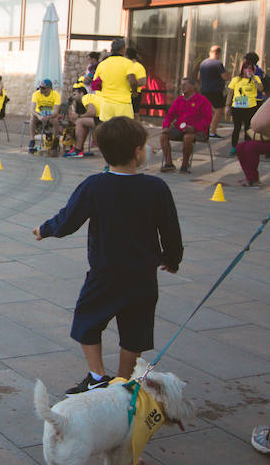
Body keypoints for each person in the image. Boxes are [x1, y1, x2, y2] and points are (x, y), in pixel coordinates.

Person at [33, 116, 183, 393]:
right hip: (142, 276)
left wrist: (45, 229)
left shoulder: (94, 185)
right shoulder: (156, 188)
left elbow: (68, 220)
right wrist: (171, 259)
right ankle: (124, 382)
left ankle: (97, 375)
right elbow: (171, 231)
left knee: (87, 321)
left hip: (106, 273)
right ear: (138, 151)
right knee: (135, 331)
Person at [159, 77, 212, 173]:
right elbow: (169, 115)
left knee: (188, 137)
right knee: (163, 136)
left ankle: (184, 164)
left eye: (185, 85)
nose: (182, 87)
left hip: (198, 131)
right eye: (181, 84)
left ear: (193, 86)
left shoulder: (202, 100)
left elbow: (207, 120)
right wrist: (166, 126)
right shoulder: (179, 100)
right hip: (180, 129)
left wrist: (194, 128)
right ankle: (169, 163)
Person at [225, 53, 263, 156]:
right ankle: (234, 147)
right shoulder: (236, 80)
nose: (249, 70)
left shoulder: (256, 79)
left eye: (251, 68)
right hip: (238, 106)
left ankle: (246, 147)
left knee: (248, 128)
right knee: (236, 128)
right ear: (243, 69)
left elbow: (261, 89)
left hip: (250, 106)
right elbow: (230, 93)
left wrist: (254, 78)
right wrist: (227, 106)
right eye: (247, 68)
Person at [93, 38, 137, 121]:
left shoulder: (102, 64)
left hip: (106, 104)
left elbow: (96, 84)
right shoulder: (127, 63)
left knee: (108, 131)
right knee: (124, 131)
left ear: (111, 49)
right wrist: (134, 92)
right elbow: (133, 81)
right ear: (123, 49)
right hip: (123, 104)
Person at [235, 95, 270, 187]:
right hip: (266, 137)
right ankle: (250, 176)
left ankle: (252, 179)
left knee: (251, 148)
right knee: (240, 147)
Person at [196, 44, 229, 138]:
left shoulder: (203, 63)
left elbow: (199, 77)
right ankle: (212, 131)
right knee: (219, 110)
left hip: (204, 90)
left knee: (208, 111)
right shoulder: (217, 64)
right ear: (218, 53)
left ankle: (204, 130)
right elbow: (226, 77)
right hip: (215, 90)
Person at [64, 85, 102, 158]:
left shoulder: (86, 97)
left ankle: (78, 149)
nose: (73, 97)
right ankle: (79, 148)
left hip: (104, 120)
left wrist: (77, 116)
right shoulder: (91, 98)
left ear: (81, 93)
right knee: (83, 122)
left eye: (75, 94)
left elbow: (92, 112)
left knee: (80, 121)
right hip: (104, 118)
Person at [28, 79, 61, 154]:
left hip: (50, 115)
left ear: (49, 88)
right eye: (40, 87)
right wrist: (39, 116)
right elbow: (32, 109)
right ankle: (32, 140)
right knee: (32, 118)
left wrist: (48, 117)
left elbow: (56, 111)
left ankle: (55, 140)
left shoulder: (56, 95)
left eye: (43, 88)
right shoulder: (36, 94)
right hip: (39, 114)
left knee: (55, 120)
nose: (40, 89)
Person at [126, 47, 147, 120]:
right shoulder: (125, 65)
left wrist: (132, 83)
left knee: (134, 114)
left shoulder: (138, 66)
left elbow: (143, 81)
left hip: (135, 93)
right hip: (125, 93)